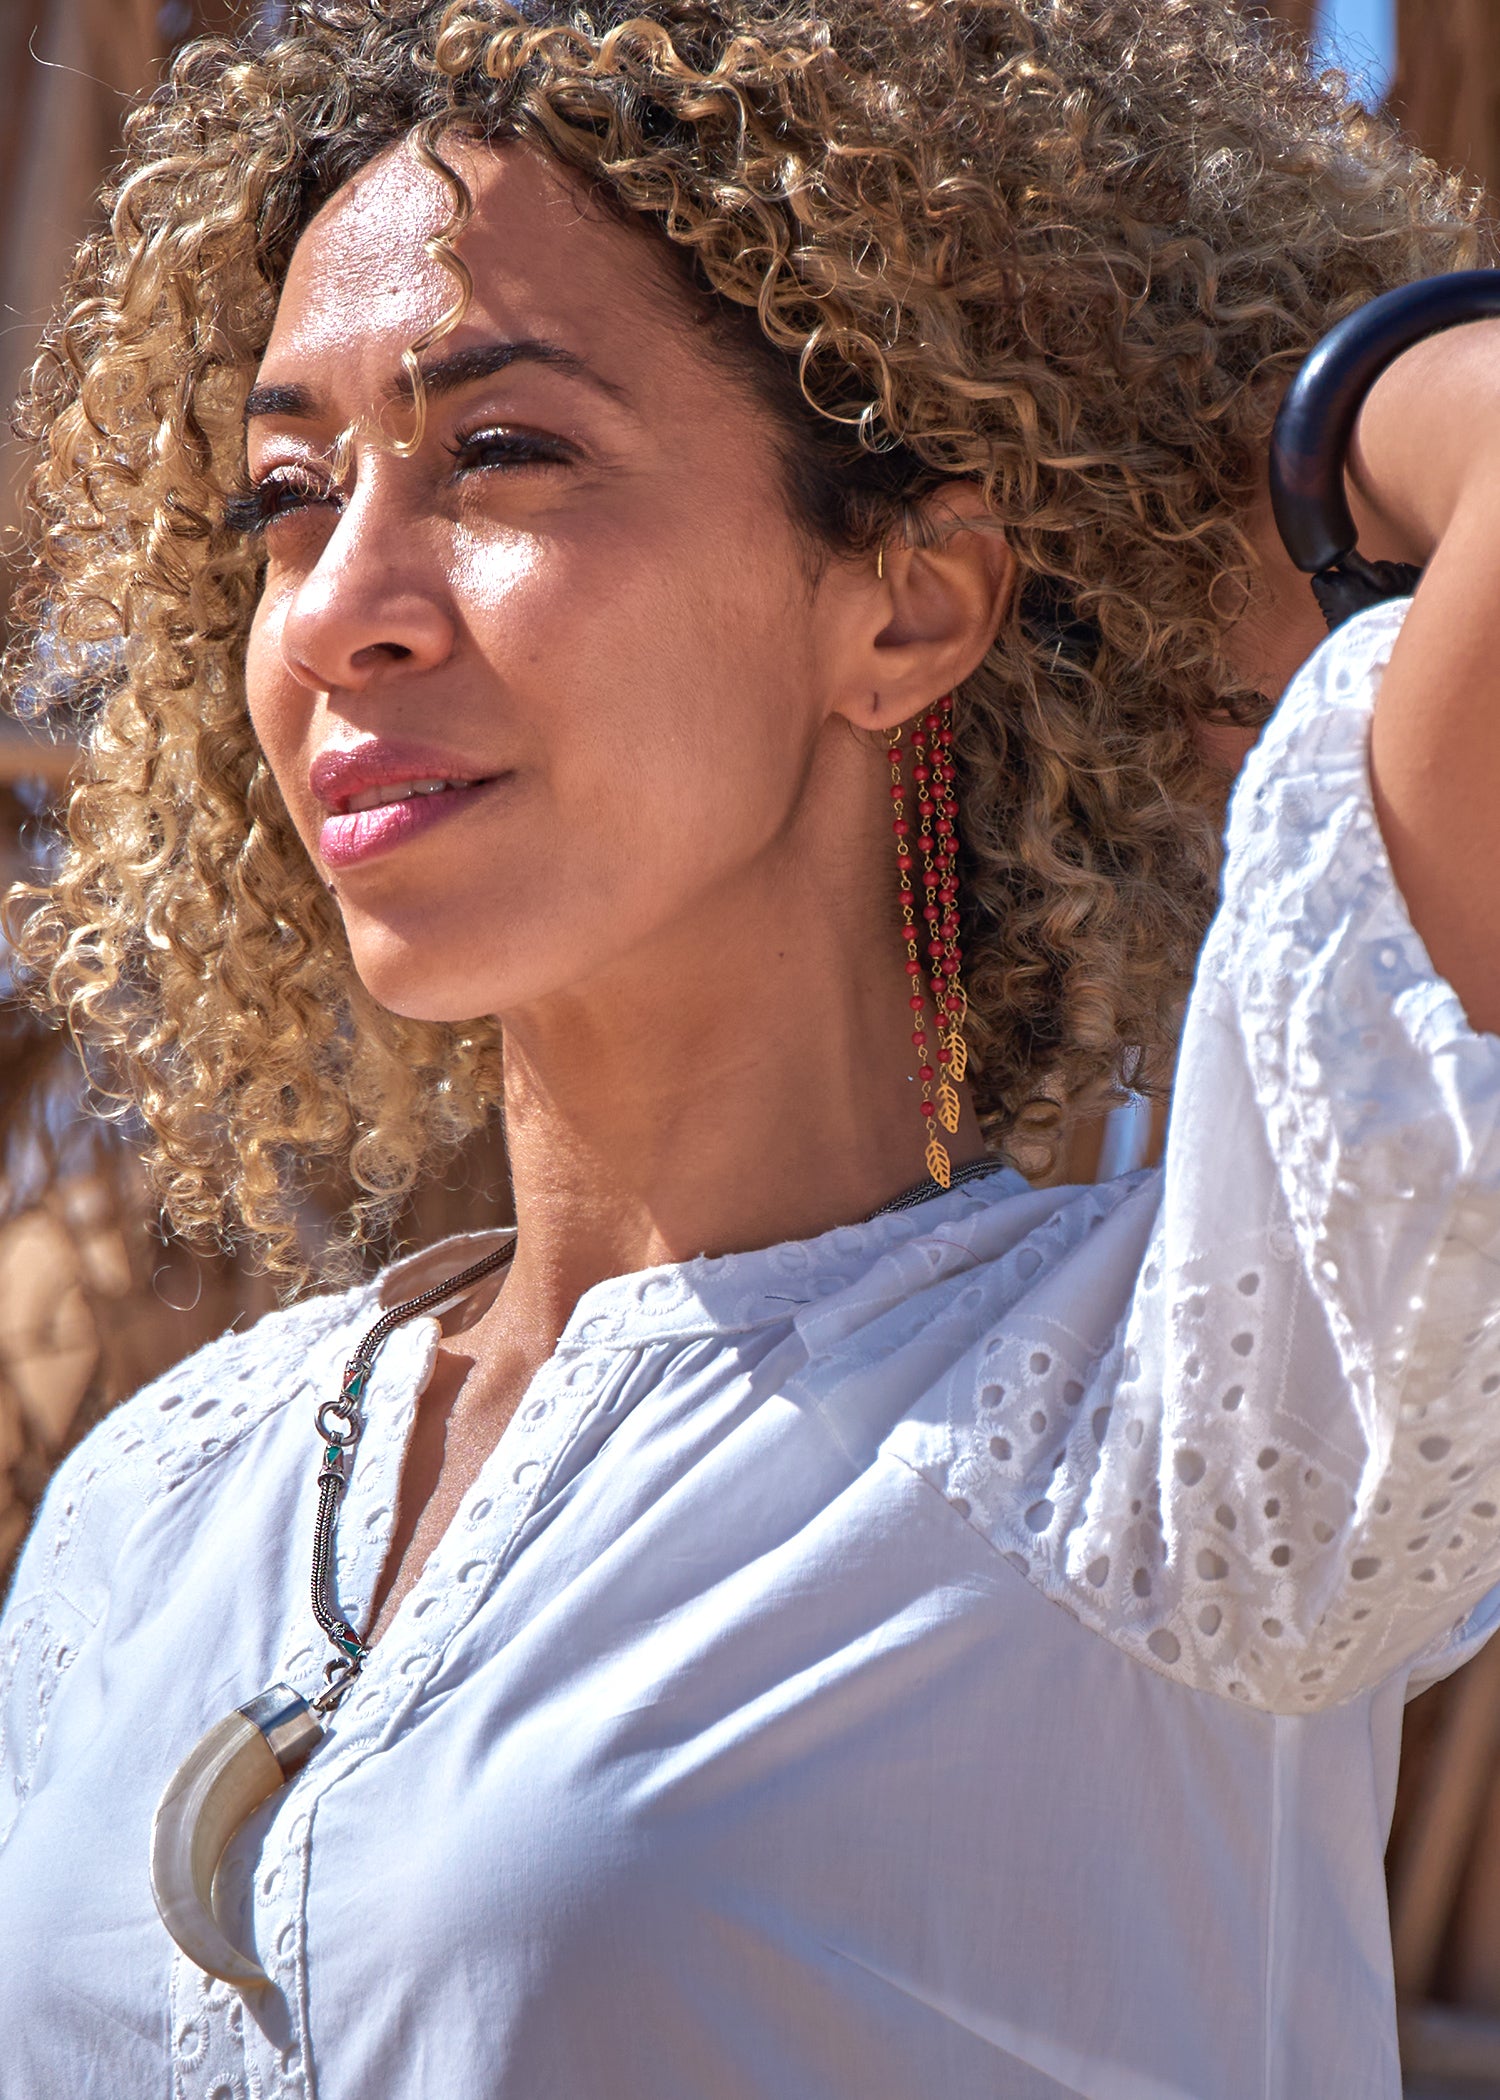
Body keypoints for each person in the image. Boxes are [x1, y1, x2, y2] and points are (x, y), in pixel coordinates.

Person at [1, 1, 1497, 2093]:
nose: (339, 606)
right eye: (282, 493)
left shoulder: (1165, 1445)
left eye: (501, 451)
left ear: (906, 608)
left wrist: (1273, 425)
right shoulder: (156, 1505)